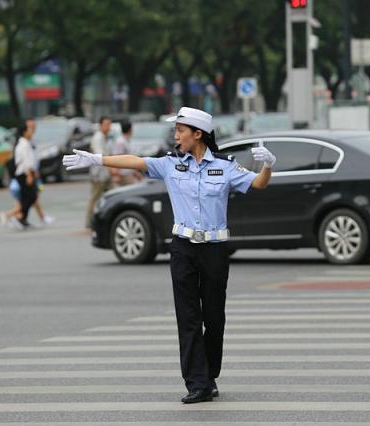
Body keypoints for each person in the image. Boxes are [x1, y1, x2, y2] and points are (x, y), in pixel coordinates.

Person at [63, 107, 275, 404]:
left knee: (213, 318)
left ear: (197, 134)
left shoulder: (225, 167)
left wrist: (268, 166)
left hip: (214, 249)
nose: (176, 136)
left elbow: (258, 183)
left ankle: (209, 374)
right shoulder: (171, 165)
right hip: (183, 249)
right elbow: (135, 162)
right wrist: (97, 158)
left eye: (180, 130)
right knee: (188, 317)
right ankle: (197, 383)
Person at [85, 116, 113, 230]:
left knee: (112, 195)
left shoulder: (105, 137)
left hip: (105, 174)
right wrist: (112, 168)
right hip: (98, 175)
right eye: (106, 124)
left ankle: (109, 219)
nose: (108, 127)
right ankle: (89, 222)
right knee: (95, 198)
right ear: (101, 125)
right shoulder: (98, 138)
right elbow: (100, 156)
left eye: (109, 124)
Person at [12, 119, 39, 228]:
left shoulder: (25, 143)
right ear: (24, 132)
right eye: (29, 130)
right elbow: (25, 160)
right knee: (31, 196)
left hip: (27, 172)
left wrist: (34, 171)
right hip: (23, 173)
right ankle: (20, 217)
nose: (31, 132)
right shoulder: (23, 144)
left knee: (27, 197)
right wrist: (29, 174)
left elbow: (30, 160)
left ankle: (22, 218)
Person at [110, 120, 142, 187]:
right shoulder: (120, 142)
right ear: (130, 129)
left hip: (128, 172)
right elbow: (118, 158)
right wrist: (117, 175)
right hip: (123, 174)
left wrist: (135, 172)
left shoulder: (126, 141)